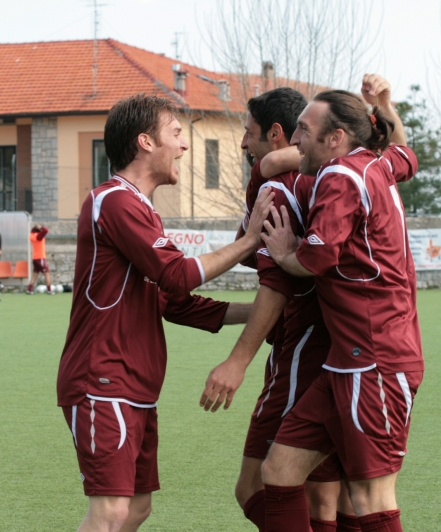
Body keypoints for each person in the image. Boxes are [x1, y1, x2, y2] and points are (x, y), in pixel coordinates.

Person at [57, 94, 274, 532]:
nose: (185, 146)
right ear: (145, 142)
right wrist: (249, 242)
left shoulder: (140, 209)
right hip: (103, 378)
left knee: (136, 509)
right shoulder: (115, 201)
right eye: (176, 133)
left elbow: (173, 303)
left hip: (134, 385)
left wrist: (263, 313)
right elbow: (177, 275)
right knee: (112, 511)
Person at [258, 75, 421, 532]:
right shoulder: (376, 163)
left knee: (370, 496)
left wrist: (287, 252)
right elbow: (407, 154)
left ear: (337, 138)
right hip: (345, 363)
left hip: (374, 362)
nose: (295, 139)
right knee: (280, 470)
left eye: (304, 131)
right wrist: (386, 105)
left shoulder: (340, 175)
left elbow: (315, 258)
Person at [199, 87, 353, 532]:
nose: (244, 144)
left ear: (276, 132)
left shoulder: (278, 188)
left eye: (248, 134)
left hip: (302, 349)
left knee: (254, 486)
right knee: (326, 495)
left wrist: (236, 360)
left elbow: (276, 282)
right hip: (347, 348)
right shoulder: (328, 176)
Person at [27, 224, 52, 295]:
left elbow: (33, 230)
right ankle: (49, 290)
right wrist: (41, 227)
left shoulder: (32, 235)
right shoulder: (38, 236)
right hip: (40, 257)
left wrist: (36, 227)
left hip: (35, 257)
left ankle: (29, 289)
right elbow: (46, 230)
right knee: (46, 273)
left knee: (35, 274)